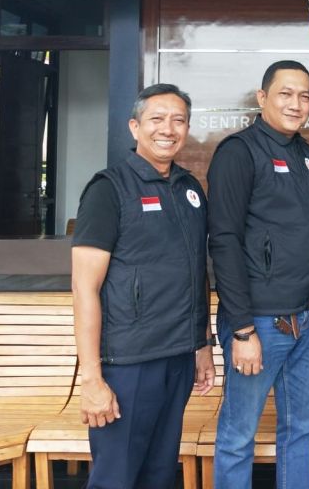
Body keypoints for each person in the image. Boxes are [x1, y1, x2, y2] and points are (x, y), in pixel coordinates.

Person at [71, 82, 215, 489]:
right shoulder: (108, 189)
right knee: (116, 478)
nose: (168, 129)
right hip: (128, 364)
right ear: (135, 127)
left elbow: (196, 272)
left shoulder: (190, 189)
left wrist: (202, 344)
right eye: (157, 119)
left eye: (178, 120)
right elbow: (84, 288)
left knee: (159, 474)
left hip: (178, 358)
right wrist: (92, 379)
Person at [208, 60, 309, 488]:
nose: (296, 104)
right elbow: (224, 241)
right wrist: (242, 329)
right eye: (285, 94)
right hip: (261, 321)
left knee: (303, 427)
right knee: (238, 435)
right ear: (262, 97)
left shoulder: (304, 152)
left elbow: (301, 229)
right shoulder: (238, 152)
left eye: (304, 96)